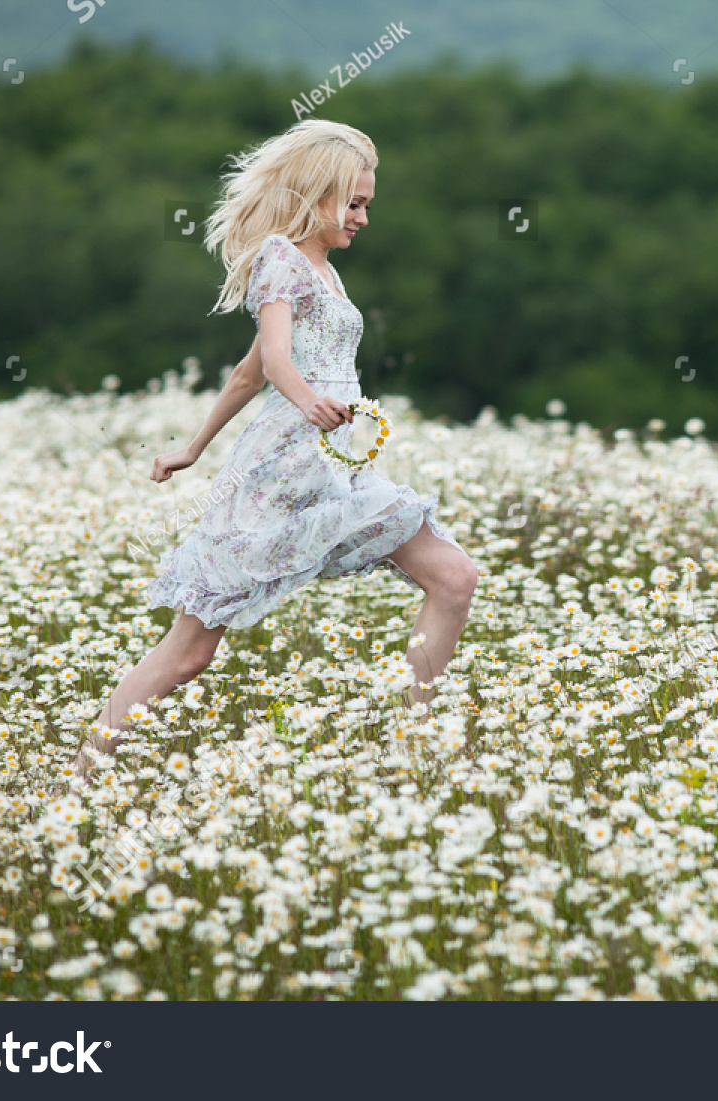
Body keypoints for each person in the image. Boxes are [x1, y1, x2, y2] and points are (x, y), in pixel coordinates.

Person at [65, 119, 479, 786]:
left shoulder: (325, 271)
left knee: (455, 577)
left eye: (367, 203)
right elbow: (276, 360)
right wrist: (304, 402)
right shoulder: (279, 259)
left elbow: (246, 373)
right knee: (190, 651)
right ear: (312, 196)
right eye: (353, 203)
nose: (363, 217)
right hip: (279, 473)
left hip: (337, 470)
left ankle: (414, 755)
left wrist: (194, 446)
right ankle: (74, 778)